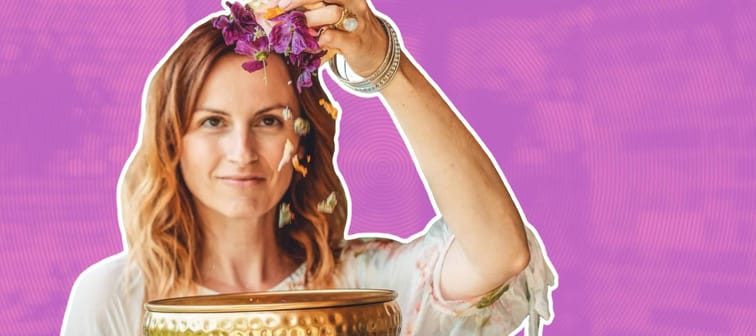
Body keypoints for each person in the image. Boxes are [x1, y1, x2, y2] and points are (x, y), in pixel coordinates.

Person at [61, 0, 556, 335]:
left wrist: (381, 60)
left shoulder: (364, 285)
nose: (242, 151)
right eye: (213, 121)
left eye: (269, 120)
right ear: (174, 139)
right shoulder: (116, 296)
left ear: (304, 139)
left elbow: (498, 254)